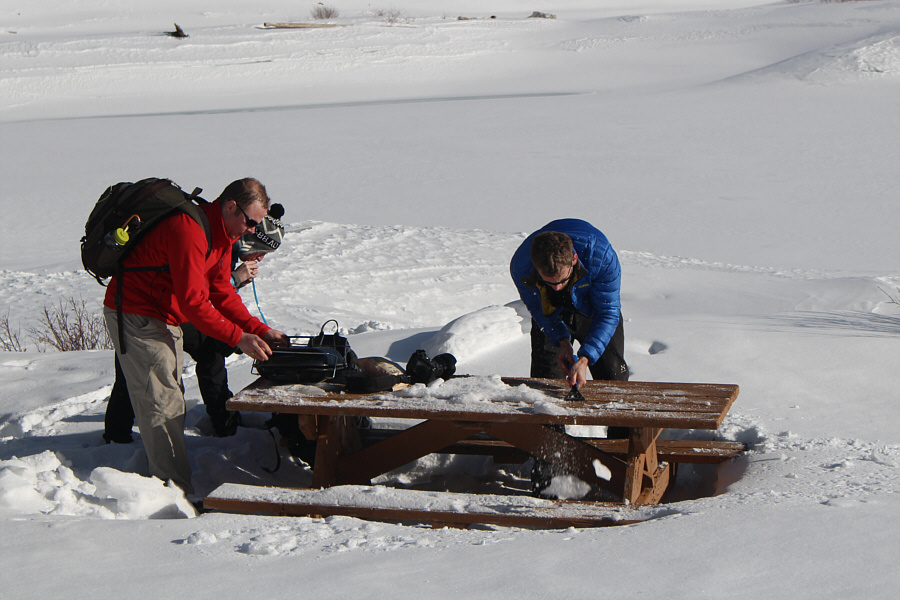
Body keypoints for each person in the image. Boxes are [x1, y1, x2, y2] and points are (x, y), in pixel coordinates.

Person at [102, 178, 288, 496]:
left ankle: (172, 481)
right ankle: (174, 493)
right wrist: (238, 337)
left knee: (168, 396)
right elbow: (194, 301)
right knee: (163, 402)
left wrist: (259, 329)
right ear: (231, 206)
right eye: (251, 222)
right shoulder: (189, 228)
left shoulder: (222, 233)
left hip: (165, 315)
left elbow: (220, 291)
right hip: (137, 312)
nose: (251, 231)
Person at [510, 218, 629, 438]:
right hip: (552, 311)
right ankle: (547, 460)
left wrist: (584, 359)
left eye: (561, 280)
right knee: (545, 383)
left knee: (614, 380)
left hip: (594, 308)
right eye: (549, 282)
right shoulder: (521, 266)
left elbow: (608, 312)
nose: (555, 287)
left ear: (574, 259)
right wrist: (562, 342)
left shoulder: (601, 257)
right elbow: (538, 311)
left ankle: (621, 454)